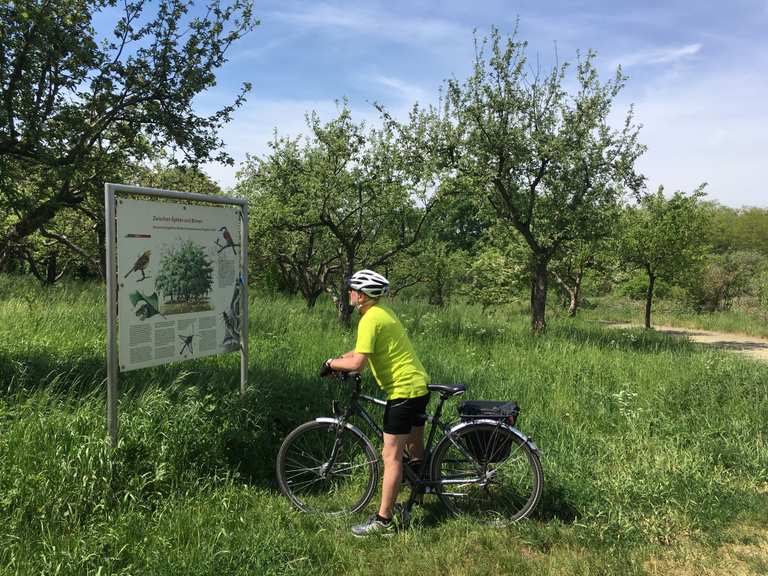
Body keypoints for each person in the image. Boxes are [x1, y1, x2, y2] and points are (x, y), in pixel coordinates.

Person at [322, 269, 430, 537]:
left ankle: (383, 521)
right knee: (414, 446)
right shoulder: (382, 312)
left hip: (403, 390)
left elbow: (358, 363)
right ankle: (417, 495)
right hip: (418, 385)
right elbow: (360, 352)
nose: (349, 293)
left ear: (362, 295)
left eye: (352, 290)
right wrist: (341, 359)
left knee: (391, 456)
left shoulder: (370, 319)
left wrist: (330, 364)